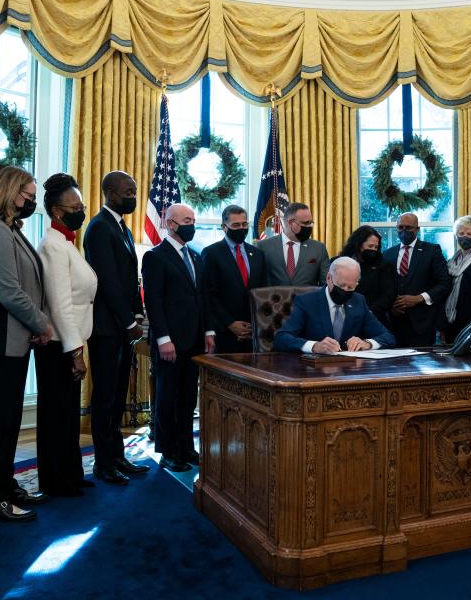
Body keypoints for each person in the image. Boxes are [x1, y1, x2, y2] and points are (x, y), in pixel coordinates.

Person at [0, 166, 53, 523]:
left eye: (32, 198)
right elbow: (8, 291)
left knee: (8, 420)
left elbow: (28, 286)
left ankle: (4, 483)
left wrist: (33, 324)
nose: (31, 202)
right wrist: (42, 323)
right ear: (10, 191)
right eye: (27, 196)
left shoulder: (11, 230)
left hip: (13, 339)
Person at [84, 170, 150, 486]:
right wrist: (127, 322)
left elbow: (129, 279)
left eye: (135, 191)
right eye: (128, 191)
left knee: (119, 395)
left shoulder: (121, 227)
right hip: (107, 329)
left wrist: (136, 315)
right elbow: (108, 282)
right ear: (110, 193)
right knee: (105, 398)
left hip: (123, 327)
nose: (133, 196)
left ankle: (117, 455)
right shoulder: (99, 228)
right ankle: (103, 462)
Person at [34, 173, 97, 497]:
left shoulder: (67, 242)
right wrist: (76, 351)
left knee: (68, 415)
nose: (81, 210)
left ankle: (70, 473)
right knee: (57, 415)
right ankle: (56, 479)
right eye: (75, 206)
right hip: (60, 344)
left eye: (82, 205)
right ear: (58, 211)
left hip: (69, 340)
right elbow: (59, 304)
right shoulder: (53, 246)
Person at [141, 203, 215, 472]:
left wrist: (208, 331)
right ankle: (168, 450)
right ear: (171, 223)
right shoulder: (155, 257)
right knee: (167, 396)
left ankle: (185, 447)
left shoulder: (195, 257)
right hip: (170, 341)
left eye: (193, 219)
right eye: (187, 220)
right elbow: (154, 301)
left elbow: (202, 297)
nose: (192, 224)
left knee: (186, 398)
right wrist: (163, 339)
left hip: (194, 339)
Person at [273, 257, 395, 353]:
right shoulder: (306, 302)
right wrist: (314, 346)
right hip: (312, 372)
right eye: (341, 286)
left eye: (351, 287)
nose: (346, 290)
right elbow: (281, 338)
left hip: (349, 372)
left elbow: (388, 337)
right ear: (328, 279)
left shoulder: (358, 301)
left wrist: (367, 343)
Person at [200, 204, 265, 353]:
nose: (241, 228)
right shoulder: (211, 253)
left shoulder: (257, 254)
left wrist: (255, 325)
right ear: (224, 227)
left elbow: (262, 290)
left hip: (253, 333)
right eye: (236, 225)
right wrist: (230, 324)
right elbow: (208, 295)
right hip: (224, 333)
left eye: (244, 224)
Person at [382, 212, 452, 347]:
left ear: (417, 229)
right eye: (400, 227)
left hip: (422, 324)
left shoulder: (432, 251)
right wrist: (390, 306)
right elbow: (384, 286)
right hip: (393, 324)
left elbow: (444, 283)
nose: (404, 231)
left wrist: (419, 298)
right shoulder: (388, 254)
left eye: (408, 228)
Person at [256, 202, 331, 286]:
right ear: (290, 223)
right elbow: (259, 281)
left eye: (311, 223)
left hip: (307, 298)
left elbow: (326, 284)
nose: (309, 226)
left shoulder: (319, 248)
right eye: (305, 223)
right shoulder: (264, 246)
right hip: (274, 298)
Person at [337, 225, 394, 326]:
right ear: (358, 244)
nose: (373, 250)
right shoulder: (338, 262)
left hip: (372, 318)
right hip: (342, 316)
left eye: (376, 247)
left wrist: (368, 313)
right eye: (370, 246)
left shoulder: (384, 264)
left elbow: (388, 295)